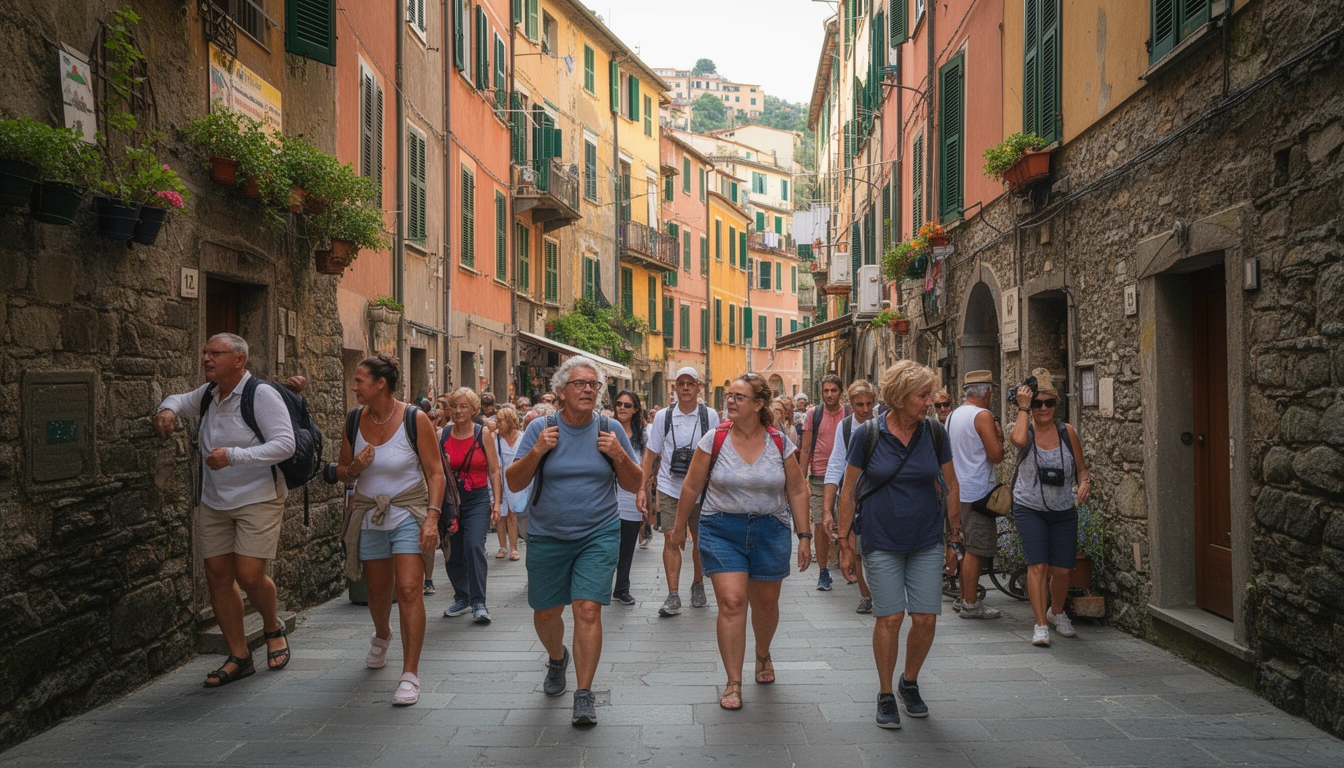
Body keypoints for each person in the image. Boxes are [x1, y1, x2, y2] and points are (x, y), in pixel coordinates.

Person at [506, 356, 643, 727]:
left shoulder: (608, 427)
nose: (588, 390)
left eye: (594, 385)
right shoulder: (540, 428)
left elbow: (634, 483)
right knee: (547, 611)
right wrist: (536, 452)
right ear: (561, 391)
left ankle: (584, 694)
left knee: (587, 609)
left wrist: (618, 454)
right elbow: (515, 482)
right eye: (580, 384)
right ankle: (556, 657)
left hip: (598, 532)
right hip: (548, 534)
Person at [154, 333, 295, 687]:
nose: (206, 358)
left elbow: (285, 445)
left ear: (239, 361)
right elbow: (177, 399)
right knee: (217, 575)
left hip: (258, 496)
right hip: (215, 500)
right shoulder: (208, 394)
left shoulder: (261, 395)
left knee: (249, 575)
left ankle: (272, 625)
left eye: (215, 353)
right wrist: (167, 410)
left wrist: (232, 455)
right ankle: (239, 656)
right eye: (205, 352)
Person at [670, 374, 812, 710]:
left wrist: (805, 536)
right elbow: (691, 486)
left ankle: (762, 654)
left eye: (739, 397)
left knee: (765, 605)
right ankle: (733, 681)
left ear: (759, 404)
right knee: (732, 602)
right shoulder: (714, 438)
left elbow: (796, 489)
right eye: (729, 395)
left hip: (771, 529)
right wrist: (678, 529)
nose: (730, 401)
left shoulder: (779, 442)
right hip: (721, 528)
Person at [836, 360, 961, 729]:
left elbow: (951, 486)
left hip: (925, 538)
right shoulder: (868, 434)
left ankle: (910, 681)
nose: (930, 402)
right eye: (923, 396)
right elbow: (848, 491)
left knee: (924, 618)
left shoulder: (935, 433)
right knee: (889, 617)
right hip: (881, 538)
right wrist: (844, 542)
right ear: (901, 396)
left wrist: (955, 538)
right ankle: (886, 693)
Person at [335, 354, 446, 706]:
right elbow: (341, 472)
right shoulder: (353, 420)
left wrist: (432, 517)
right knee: (378, 590)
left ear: (380, 384)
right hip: (369, 515)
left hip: (408, 512)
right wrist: (355, 466)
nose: (354, 387)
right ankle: (382, 634)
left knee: (410, 589)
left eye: (359, 380)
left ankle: (410, 673)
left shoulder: (415, 419)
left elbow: (435, 472)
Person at [1009, 369, 1092, 647]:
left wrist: (1084, 483)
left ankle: (1056, 612)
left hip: (1062, 510)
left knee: (1063, 570)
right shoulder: (1024, 430)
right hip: (1029, 507)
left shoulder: (1068, 432)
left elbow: (1082, 470)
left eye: (1049, 403)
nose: (1043, 409)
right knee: (1038, 565)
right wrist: (1023, 407)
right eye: (1037, 403)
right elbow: (1018, 441)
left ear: (1056, 404)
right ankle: (1040, 624)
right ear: (1030, 406)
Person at [638, 367, 719, 616]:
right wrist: (642, 488)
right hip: (670, 486)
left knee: (700, 539)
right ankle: (673, 595)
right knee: (671, 537)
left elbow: (717, 452)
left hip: (701, 488)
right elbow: (651, 453)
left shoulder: (710, 416)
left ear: (699, 388)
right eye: (681, 383)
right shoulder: (664, 416)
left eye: (690, 383)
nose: (685, 388)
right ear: (674, 387)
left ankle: (698, 584)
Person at [440, 388, 503, 625]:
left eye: (464, 406)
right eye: (454, 406)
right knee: (453, 551)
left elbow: (494, 470)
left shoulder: (482, 434)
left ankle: (479, 602)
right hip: (450, 502)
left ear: (473, 410)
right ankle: (462, 596)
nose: (458, 411)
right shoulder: (443, 434)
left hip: (476, 499)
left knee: (474, 546)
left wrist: (496, 503)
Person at [946, 371, 1006, 620]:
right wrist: (1000, 437)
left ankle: (964, 598)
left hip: (957, 491)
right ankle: (970, 604)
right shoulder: (983, 416)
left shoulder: (953, 414)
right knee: (976, 550)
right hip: (977, 493)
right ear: (987, 392)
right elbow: (996, 455)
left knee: (964, 547)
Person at [823, 379, 879, 613]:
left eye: (869, 404)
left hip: (878, 493)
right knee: (854, 544)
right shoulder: (845, 428)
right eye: (859, 405)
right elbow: (836, 465)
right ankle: (866, 595)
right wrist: (827, 508)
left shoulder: (880, 424)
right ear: (851, 404)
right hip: (854, 494)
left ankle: (882, 592)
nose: (865, 410)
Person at [799, 373, 850, 590]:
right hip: (820, 474)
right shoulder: (814, 414)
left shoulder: (849, 412)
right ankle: (823, 571)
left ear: (840, 391)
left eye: (833, 390)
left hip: (847, 474)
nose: (829, 395)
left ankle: (850, 562)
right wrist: (802, 479)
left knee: (849, 521)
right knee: (820, 524)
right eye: (826, 391)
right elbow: (806, 447)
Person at [612, 391, 648, 605]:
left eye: (627, 405)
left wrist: (643, 490)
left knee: (627, 545)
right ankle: (600, 586)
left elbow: (645, 464)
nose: (622, 408)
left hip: (631, 495)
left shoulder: (642, 435)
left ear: (635, 409)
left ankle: (622, 588)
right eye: (619, 404)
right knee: (607, 544)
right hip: (607, 494)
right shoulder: (606, 429)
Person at [493, 405, 526, 561]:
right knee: (500, 515)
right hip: (500, 481)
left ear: (510, 421)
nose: (497, 423)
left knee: (512, 513)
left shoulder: (522, 437)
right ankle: (502, 547)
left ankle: (514, 548)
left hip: (515, 480)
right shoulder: (496, 440)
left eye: (500, 420)